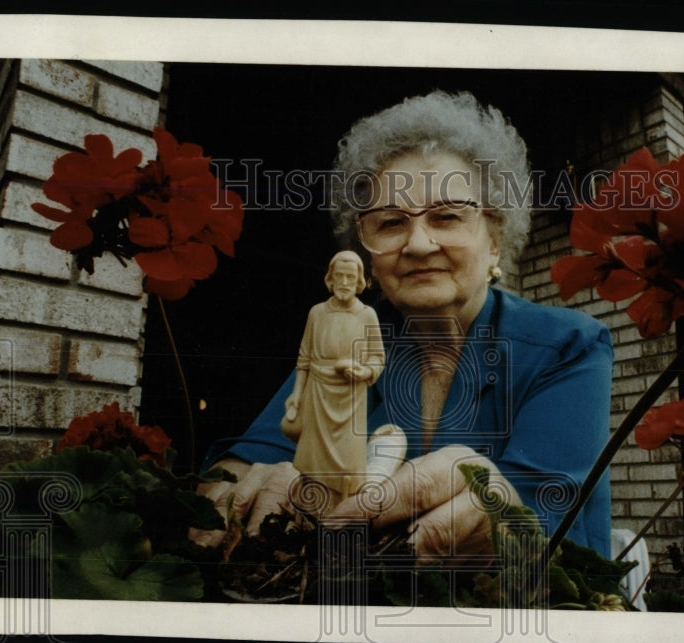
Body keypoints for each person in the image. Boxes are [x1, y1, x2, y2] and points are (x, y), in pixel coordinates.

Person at [191, 90, 613, 561]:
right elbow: (246, 460)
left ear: (494, 240)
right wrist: (241, 485)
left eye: (447, 216)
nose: (417, 243)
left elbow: (547, 515)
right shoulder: (352, 334)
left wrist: (501, 512)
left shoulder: (568, 346)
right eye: (391, 222)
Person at [282, 250, 385, 509]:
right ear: (330, 278)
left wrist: (364, 372)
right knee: (312, 464)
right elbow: (304, 359)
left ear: (359, 280)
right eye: (339, 276)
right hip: (317, 394)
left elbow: (377, 358)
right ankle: (308, 516)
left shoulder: (367, 316)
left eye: (350, 277)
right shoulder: (317, 313)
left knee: (349, 467)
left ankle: (341, 516)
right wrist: (296, 395)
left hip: (350, 397)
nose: (344, 282)